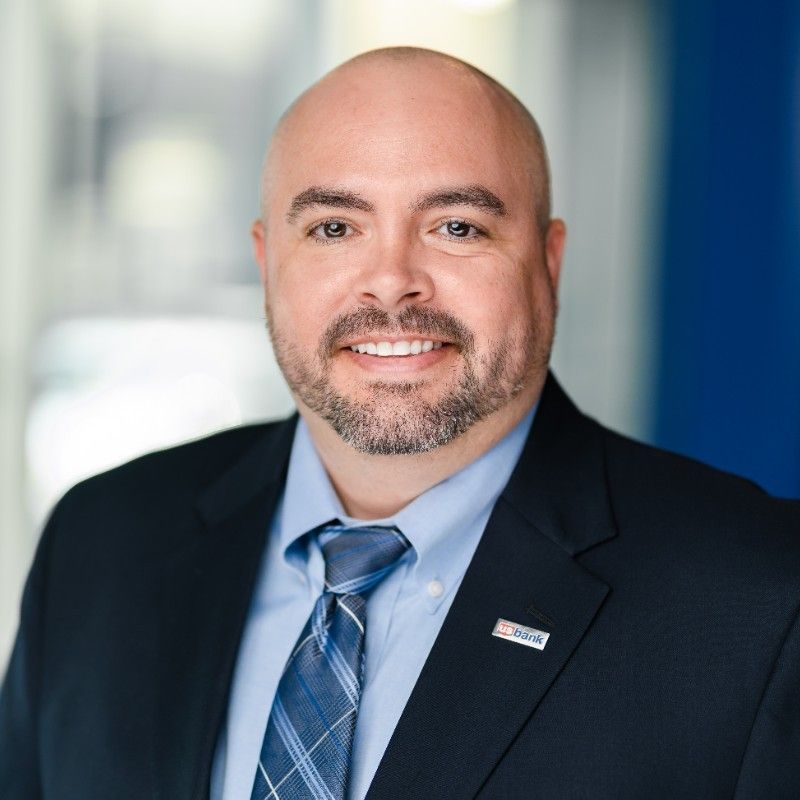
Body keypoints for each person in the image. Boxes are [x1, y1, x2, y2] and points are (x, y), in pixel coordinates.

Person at [1, 46, 799, 800]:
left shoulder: (760, 602)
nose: (391, 283)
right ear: (266, 261)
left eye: (457, 227)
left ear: (548, 262)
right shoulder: (100, 544)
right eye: (334, 228)